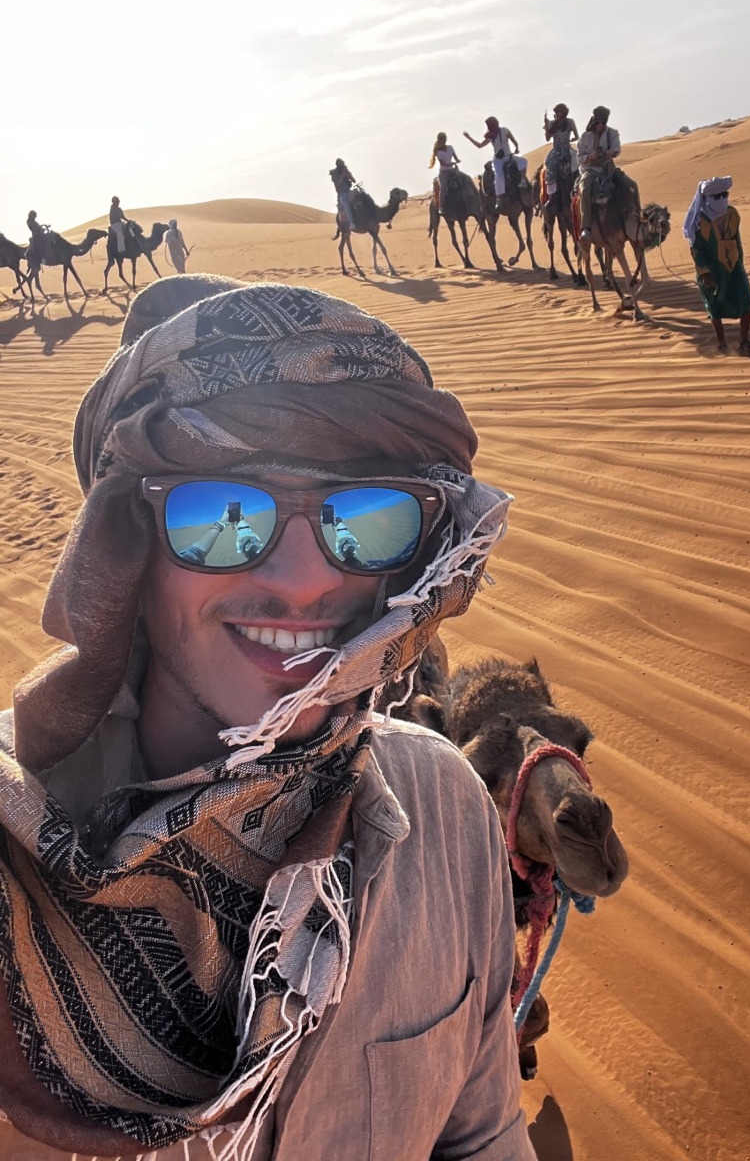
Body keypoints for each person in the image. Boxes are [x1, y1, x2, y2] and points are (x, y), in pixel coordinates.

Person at [0, 273, 535, 1161]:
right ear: (129, 542)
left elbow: (481, 1138)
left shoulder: (444, 810)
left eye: (362, 516)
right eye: (223, 514)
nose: (303, 579)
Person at [683, 176, 750, 354]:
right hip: (712, 270)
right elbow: (697, 250)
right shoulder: (700, 222)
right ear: (707, 199)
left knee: (745, 299)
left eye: (725, 194)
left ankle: (744, 340)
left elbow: (737, 241)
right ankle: (722, 342)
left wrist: (740, 264)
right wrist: (705, 274)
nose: (722, 199)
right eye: (716, 197)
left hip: (734, 266)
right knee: (714, 307)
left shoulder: (732, 214)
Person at [576, 106, 622, 240]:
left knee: (630, 186)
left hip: (608, 169)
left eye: (603, 122)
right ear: (594, 121)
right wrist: (590, 156)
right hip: (590, 170)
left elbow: (617, 148)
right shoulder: (585, 137)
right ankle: (586, 228)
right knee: (585, 190)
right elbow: (579, 158)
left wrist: (611, 152)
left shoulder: (612, 133)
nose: (601, 125)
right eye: (598, 122)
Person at [464, 117, 528, 206]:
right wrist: (469, 137)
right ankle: (499, 198)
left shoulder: (505, 131)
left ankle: (523, 180)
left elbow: (515, 142)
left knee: (523, 161)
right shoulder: (490, 136)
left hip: (509, 156)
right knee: (499, 175)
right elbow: (479, 145)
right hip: (498, 160)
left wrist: (517, 148)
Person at [543, 103, 579, 197]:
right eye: (556, 112)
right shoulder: (552, 124)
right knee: (550, 165)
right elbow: (547, 138)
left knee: (578, 164)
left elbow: (577, 135)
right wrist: (546, 125)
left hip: (567, 149)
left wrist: (573, 139)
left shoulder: (570, 122)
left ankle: (577, 189)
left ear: (563, 113)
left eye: (559, 112)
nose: (557, 114)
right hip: (557, 150)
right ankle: (551, 195)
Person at [428, 131, 461, 214]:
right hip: (444, 171)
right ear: (440, 140)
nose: (444, 140)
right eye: (443, 139)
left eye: (445, 139)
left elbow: (455, 157)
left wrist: (457, 160)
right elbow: (443, 164)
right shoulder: (438, 152)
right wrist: (451, 163)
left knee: (465, 179)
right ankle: (441, 207)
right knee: (443, 188)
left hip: (452, 170)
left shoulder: (450, 147)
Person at [329, 158, 356, 232]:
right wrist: (343, 175)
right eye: (341, 164)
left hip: (349, 191)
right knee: (346, 204)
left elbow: (354, 180)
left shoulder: (345, 171)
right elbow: (337, 184)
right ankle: (351, 223)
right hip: (341, 194)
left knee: (362, 196)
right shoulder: (334, 173)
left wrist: (348, 175)